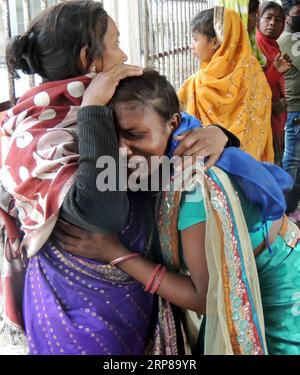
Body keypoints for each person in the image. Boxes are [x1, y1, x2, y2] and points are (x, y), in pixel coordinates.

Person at [0, 0, 238, 355]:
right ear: (88, 59)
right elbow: (102, 214)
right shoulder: (37, 133)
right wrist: (92, 110)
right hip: (74, 311)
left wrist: (221, 135)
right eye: (116, 42)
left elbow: (173, 134)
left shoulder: (118, 105)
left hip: (134, 297)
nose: (125, 53)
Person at [55, 69, 300, 355]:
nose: (122, 150)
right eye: (114, 136)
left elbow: (205, 298)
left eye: (136, 134)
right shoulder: (162, 151)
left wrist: (116, 255)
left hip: (278, 292)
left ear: (173, 123)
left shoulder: (193, 186)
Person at [177, 7, 274, 162]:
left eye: (195, 39)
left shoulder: (195, 84)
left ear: (215, 42)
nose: (191, 45)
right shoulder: (254, 75)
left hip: (208, 170)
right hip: (246, 167)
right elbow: (257, 127)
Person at [257, 1, 292, 165]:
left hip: (276, 117)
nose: (273, 23)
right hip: (261, 120)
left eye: (278, 20)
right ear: (258, 19)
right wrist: (276, 71)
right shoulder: (255, 47)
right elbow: (255, 87)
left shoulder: (274, 46)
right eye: (268, 17)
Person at [278, 0, 300, 223]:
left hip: (295, 108)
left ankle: (292, 206)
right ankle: (286, 208)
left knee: (295, 158)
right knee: (292, 159)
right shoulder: (288, 39)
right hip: (295, 109)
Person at [219, 0, 267, 66]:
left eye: (257, 15)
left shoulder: (253, 46)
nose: (257, 20)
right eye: (253, 15)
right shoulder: (222, 58)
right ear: (239, 16)